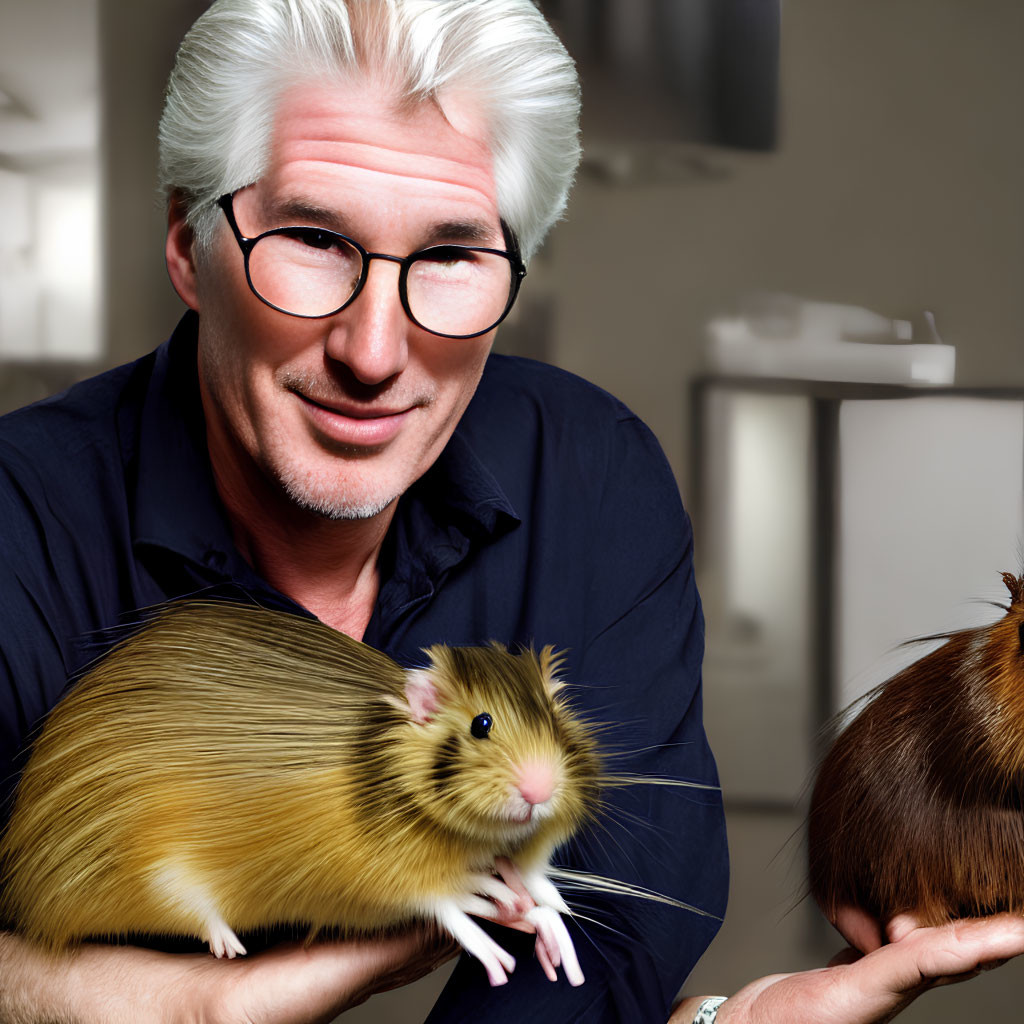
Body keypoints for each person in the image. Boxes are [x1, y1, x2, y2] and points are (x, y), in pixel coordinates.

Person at [0, 2, 1021, 1022]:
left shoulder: (591, 474)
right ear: (188, 245)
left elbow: (622, 910)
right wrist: (177, 1007)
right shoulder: (20, 520)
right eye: (314, 238)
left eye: (449, 256)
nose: (372, 350)